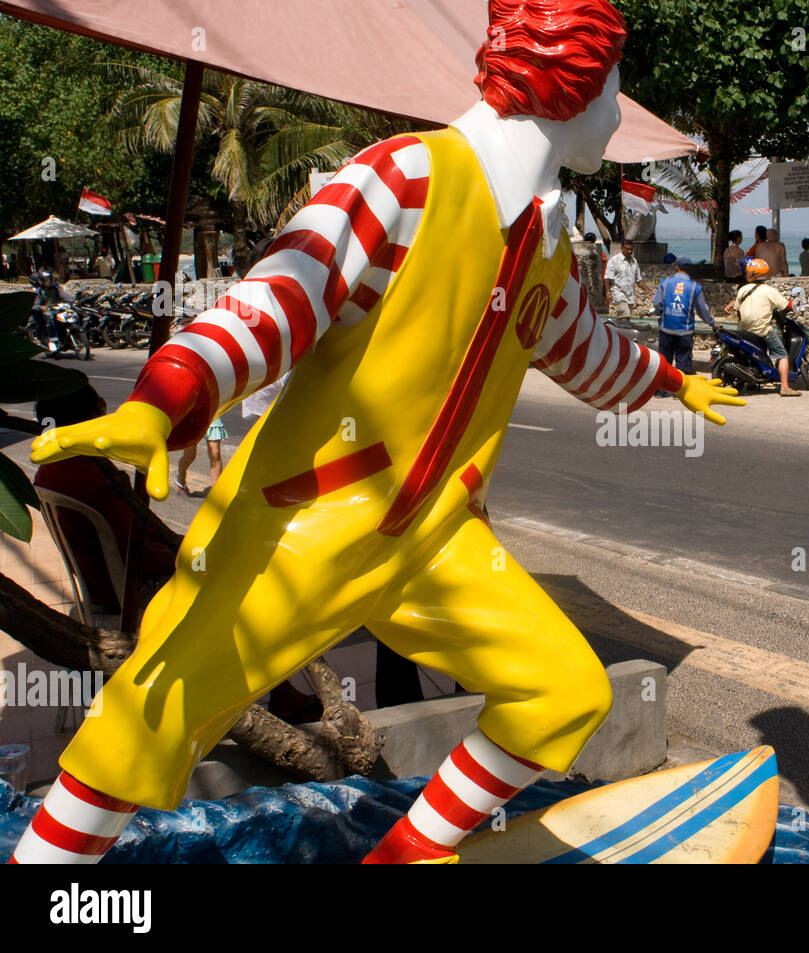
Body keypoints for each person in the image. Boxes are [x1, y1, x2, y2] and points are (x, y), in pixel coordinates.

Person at [13, 0, 744, 866]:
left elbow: (582, 349)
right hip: (299, 528)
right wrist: (166, 396)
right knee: (146, 718)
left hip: (438, 540)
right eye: (614, 90)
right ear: (567, 83)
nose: (620, 115)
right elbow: (280, 299)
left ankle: (405, 856)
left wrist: (671, 380)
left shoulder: (544, 238)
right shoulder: (405, 178)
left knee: (562, 689)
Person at [32, 387, 177, 614]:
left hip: (99, 582)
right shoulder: (89, 479)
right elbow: (138, 553)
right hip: (125, 590)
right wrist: (186, 557)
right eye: (100, 413)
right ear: (88, 422)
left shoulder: (52, 467)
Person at [725, 258, 800, 396]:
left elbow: (738, 311)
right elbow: (785, 305)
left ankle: (752, 382)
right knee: (783, 355)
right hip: (762, 330)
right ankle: (785, 387)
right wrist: (796, 303)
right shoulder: (769, 290)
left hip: (743, 330)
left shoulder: (743, 290)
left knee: (755, 353)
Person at [652, 256, 715, 387]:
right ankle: (678, 390)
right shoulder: (695, 287)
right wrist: (713, 323)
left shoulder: (665, 283)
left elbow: (657, 303)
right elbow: (703, 310)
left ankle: (661, 390)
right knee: (683, 361)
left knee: (664, 362)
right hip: (684, 331)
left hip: (666, 328)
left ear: (676, 267)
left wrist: (659, 313)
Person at [174, 416, 226, 496]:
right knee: (189, 456)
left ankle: (215, 492)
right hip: (194, 415)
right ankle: (181, 478)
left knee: (215, 454)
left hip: (213, 413)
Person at [603, 239, 653, 318]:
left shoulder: (634, 261)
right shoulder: (614, 260)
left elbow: (638, 279)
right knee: (624, 316)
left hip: (630, 295)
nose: (629, 251)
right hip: (618, 293)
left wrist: (647, 290)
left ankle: (617, 329)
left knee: (626, 317)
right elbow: (607, 278)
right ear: (622, 248)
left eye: (631, 249)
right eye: (627, 249)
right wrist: (608, 293)